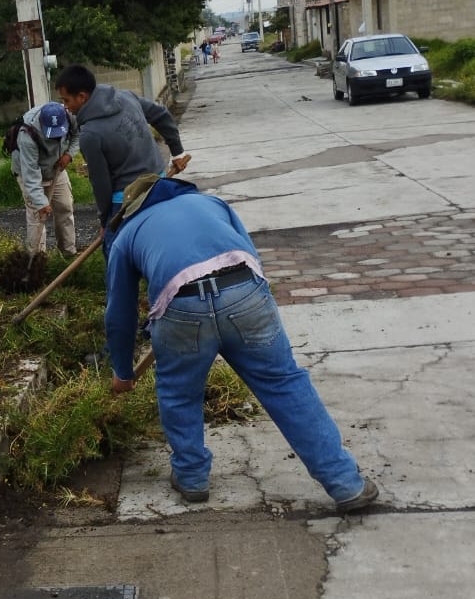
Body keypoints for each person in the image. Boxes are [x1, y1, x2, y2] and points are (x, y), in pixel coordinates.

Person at [104, 173, 379, 512]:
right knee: (283, 382)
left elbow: (119, 311)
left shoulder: (127, 233)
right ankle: (345, 484)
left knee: (178, 391)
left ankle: (191, 478)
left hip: (181, 306)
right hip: (244, 292)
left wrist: (122, 370)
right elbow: (248, 254)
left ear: (132, 208)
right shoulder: (211, 203)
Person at [54, 64, 188, 232]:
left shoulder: (90, 135)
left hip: (127, 203)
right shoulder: (126, 97)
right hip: (159, 183)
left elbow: (101, 183)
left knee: (113, 249)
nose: (65, 107)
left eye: (66, 100)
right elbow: (161, 114)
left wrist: (105, 221)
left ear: (82, 96)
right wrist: (177, 152)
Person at [10, 100, 79, 258]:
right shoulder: (27, 134)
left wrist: (69, 154)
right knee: (38, 218)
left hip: (56, 168)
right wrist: (41, 203)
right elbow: (30, 176)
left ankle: (68, 254)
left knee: (65, 207)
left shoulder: (69, 115)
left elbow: (78, 134)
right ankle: (37, 261)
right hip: (30, 173)